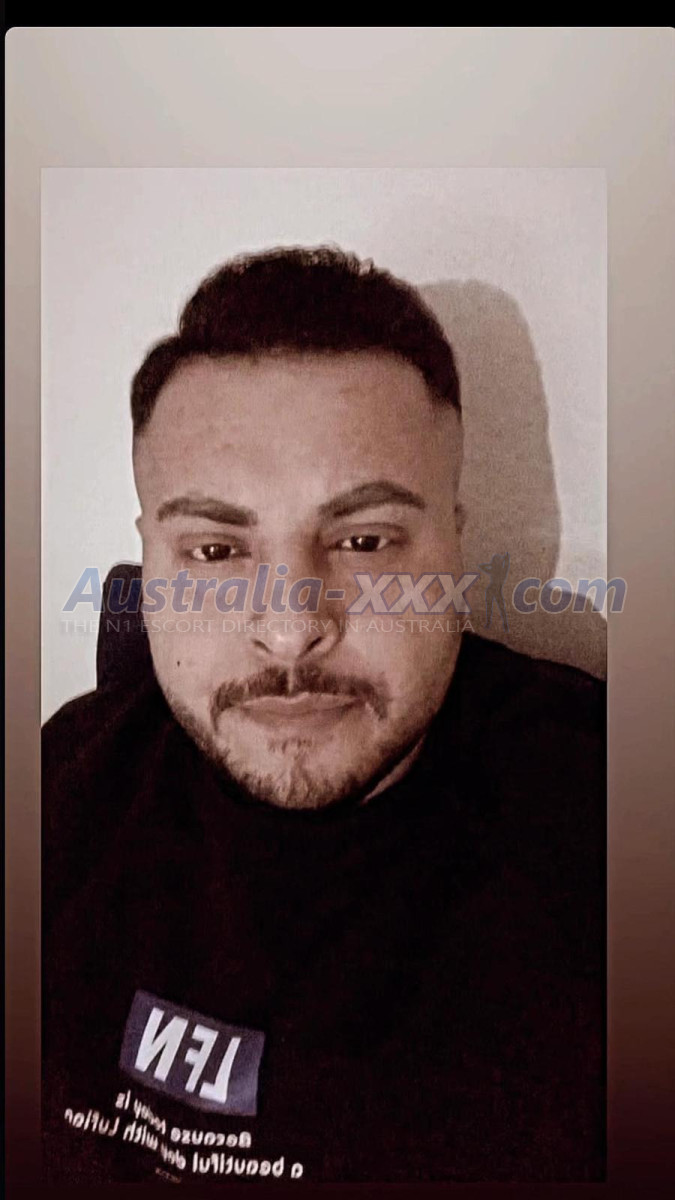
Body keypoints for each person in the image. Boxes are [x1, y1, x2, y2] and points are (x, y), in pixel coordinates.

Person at [42, 246, 606, 1184]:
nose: (290, 626)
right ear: (150, 560)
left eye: (365, 540)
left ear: (456, 547)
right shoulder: (65, 779)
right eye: (215, 552)